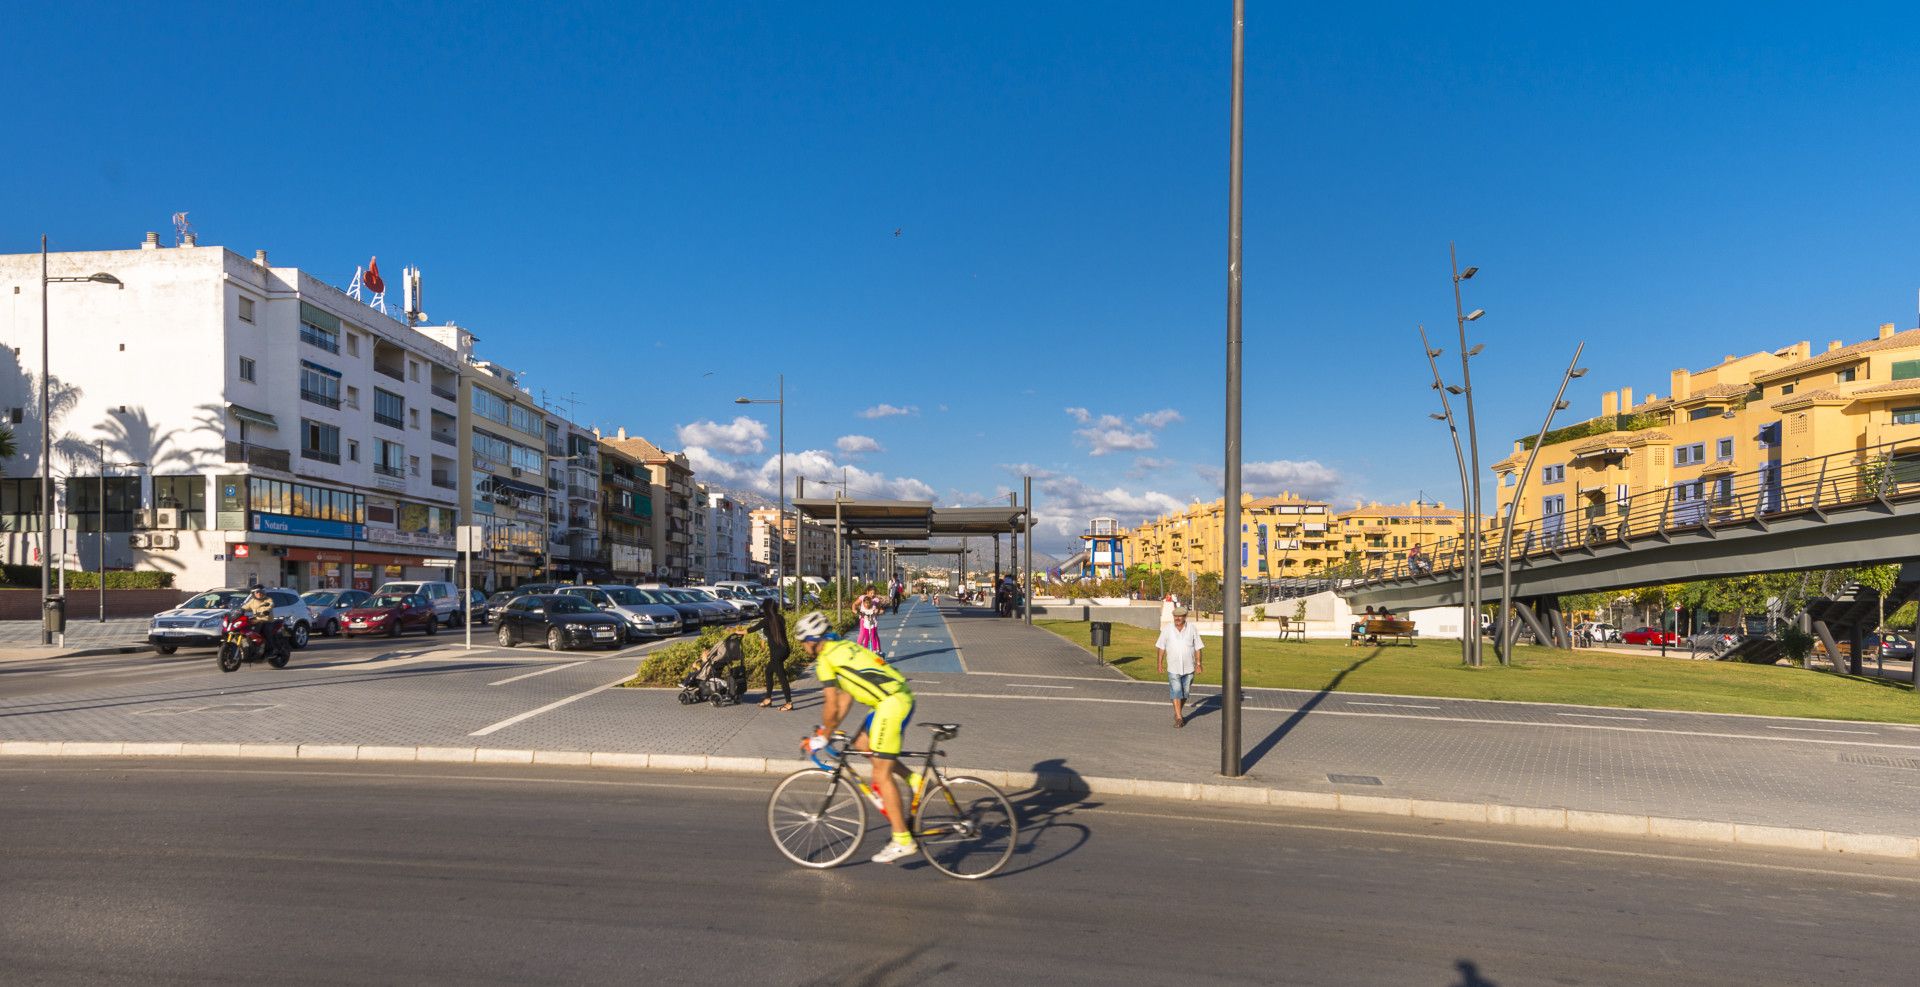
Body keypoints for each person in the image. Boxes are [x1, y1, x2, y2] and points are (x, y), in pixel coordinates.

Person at [796, 610, 921, 864]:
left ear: (811, 640)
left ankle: (902, 839)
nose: (803, 648)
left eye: (803, 643)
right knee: (862, 744)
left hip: (891, 703)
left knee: (880, 775)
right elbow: (845, 698)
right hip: (892, 699)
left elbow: (831, 705)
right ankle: (914, 779)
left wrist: (823, 737)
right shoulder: (842, 647)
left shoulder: (825, 661)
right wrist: (825, 731)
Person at [1155, 605, 1203, 728]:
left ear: (1185, 617)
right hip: (1173, 667)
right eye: (1175, 616)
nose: (1177, 618)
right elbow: (1161, 647)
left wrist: (1198, 664)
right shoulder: (1167, 629)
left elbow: (1198, 647)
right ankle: (1179, 718)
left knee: (1185, 693)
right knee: (1176, 691)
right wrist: (1159, 663)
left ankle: (1177, 712)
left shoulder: (1192, 629)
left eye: (1180, 616)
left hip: (1189, 668)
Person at [749, 600, 793, 711]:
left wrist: (736, 632)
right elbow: (772, 633)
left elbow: (752, 629)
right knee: (768, 672)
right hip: (784, 650)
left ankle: (789, 703)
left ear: (766, 609)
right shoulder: (780, 618)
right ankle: (768, 699)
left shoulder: (767, 620)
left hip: (777, 653)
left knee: (782, 677)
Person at [855, 585, 885, 653]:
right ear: (867, 592)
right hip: (864, 620)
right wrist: (854, 609)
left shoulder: (876, 600)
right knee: (862, 635)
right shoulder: (863, 598)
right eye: (871, 593)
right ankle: (858, 650)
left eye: (874, 593)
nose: (873, 594)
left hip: (873, 621)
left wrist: (879, 611)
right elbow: (855, 604)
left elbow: (880, 609)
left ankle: (878, 650)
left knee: (874, 635)